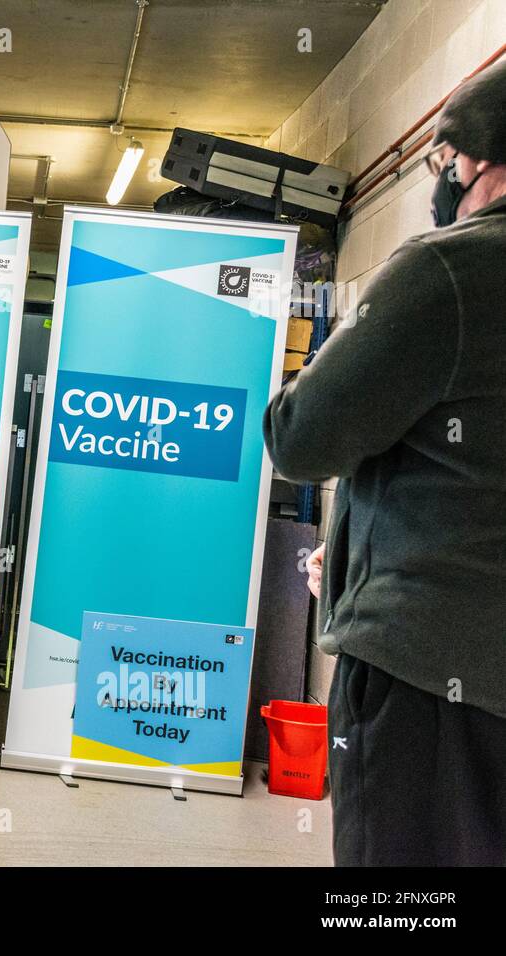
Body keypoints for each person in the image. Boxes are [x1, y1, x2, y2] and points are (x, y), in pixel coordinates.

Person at [264, 58, 506, 866]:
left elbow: (303, 437)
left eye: (443, 161)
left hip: (430, 678)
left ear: (480, 163)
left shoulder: (451, 269)